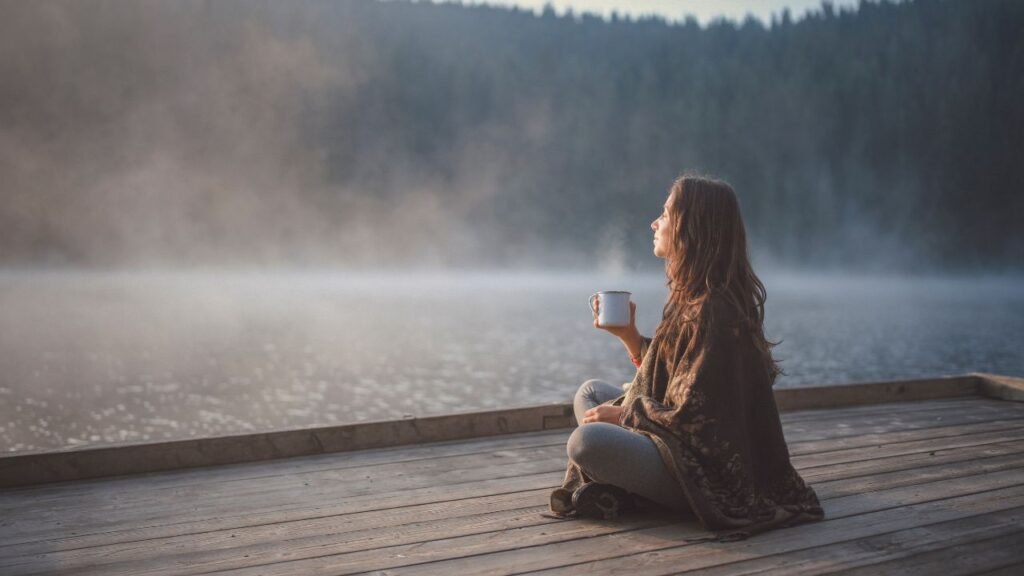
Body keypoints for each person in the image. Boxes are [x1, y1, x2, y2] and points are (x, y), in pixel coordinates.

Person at [548, 174, 825, 541]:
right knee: (591, 393)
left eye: (664, 213)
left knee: (587, 443)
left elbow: (696, 418)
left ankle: (634, 491)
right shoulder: (693, 296)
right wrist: (630, 337)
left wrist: (625, 414)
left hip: (707, 473)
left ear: (690, 227)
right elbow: (677, 375)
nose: (655, 222)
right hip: (676, 442)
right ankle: (623, 484)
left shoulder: (714, 310)